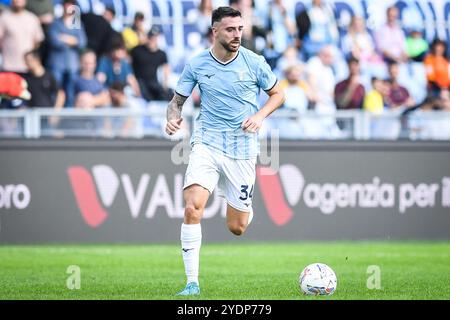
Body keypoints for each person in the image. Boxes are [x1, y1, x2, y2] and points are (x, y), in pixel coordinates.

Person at [165, 6, 285, 296]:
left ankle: (244, 209)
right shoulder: (196, 64)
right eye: (230, 29)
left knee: (237, 227)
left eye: (240, 29)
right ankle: (192, 283)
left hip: (242, 149)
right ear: (215, 31)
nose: (237, 35)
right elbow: (176, 102)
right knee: (193, 206)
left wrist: (259, 116)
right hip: (206, 143)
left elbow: (279, 94)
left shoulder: (254, 62)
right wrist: (172, 117)